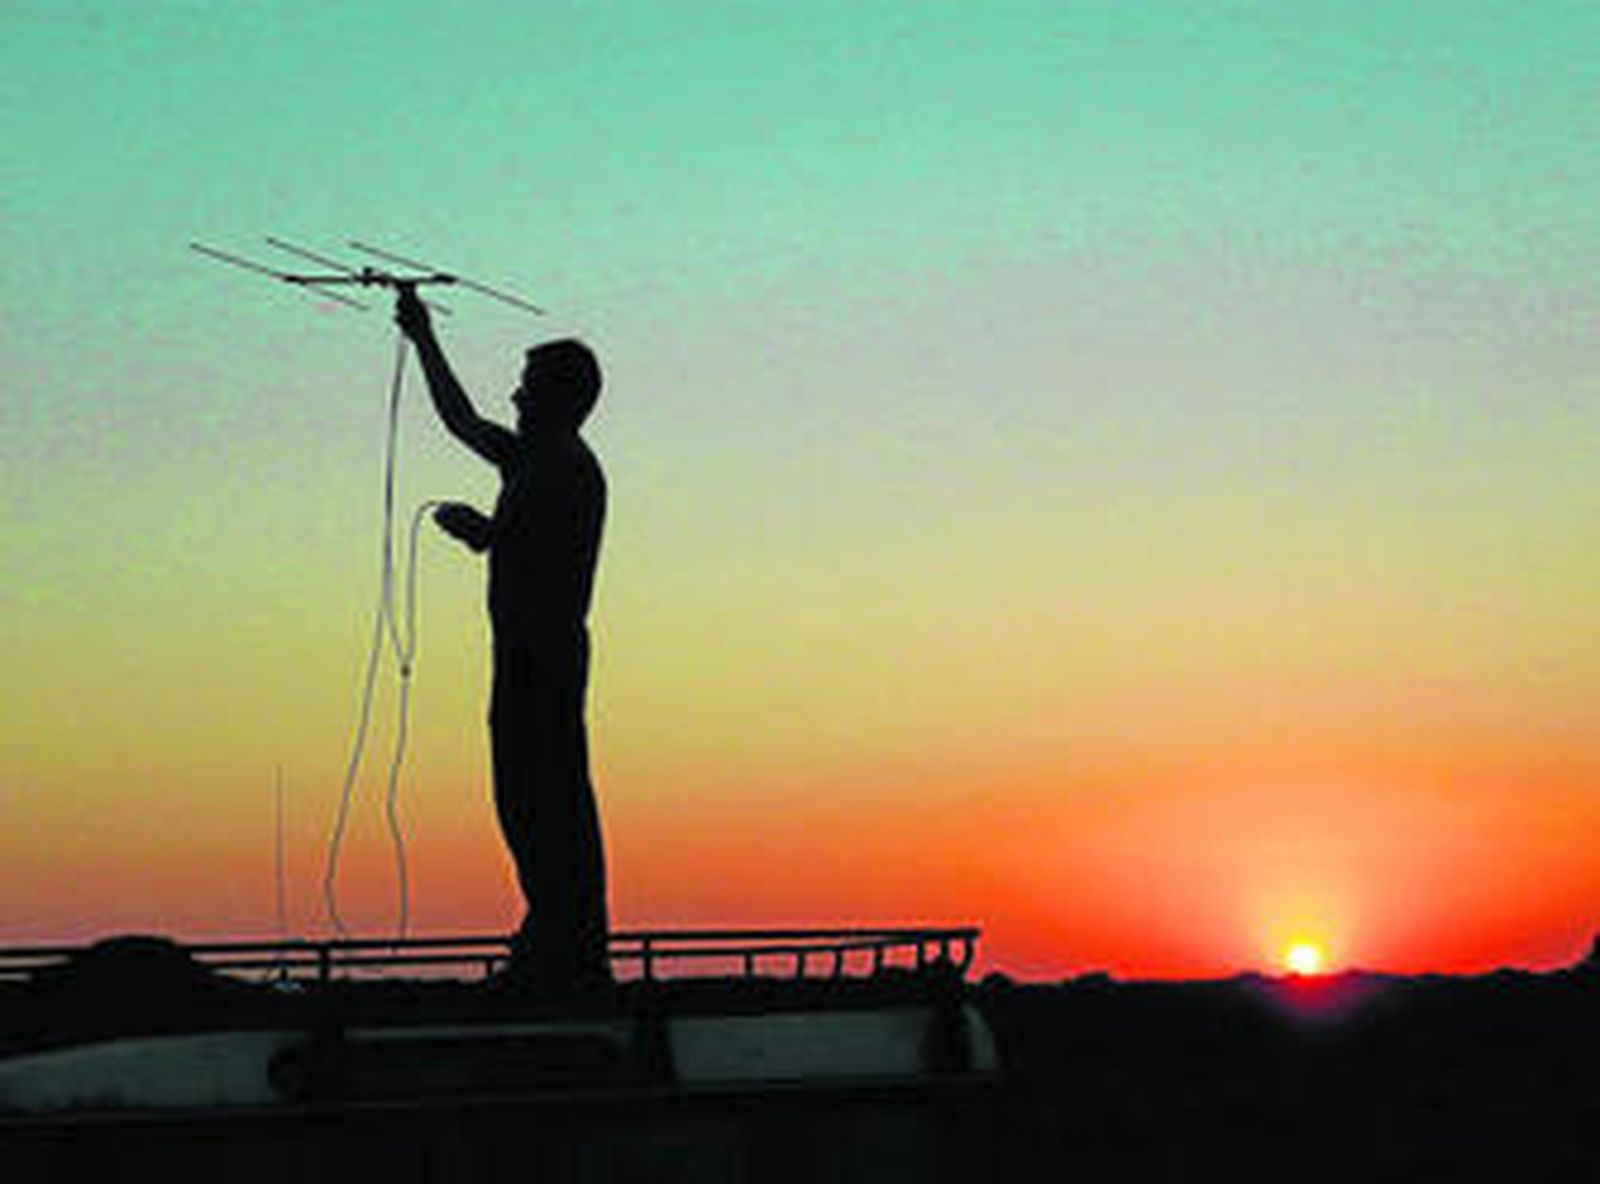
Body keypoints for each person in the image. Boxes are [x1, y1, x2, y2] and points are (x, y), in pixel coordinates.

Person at [394, 284, 610, 992]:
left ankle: (566, 951)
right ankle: (554, 940)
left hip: (544, 662)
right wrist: (422, 336)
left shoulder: (570, 470)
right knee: (525, 800)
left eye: (525, 387)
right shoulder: (532, 460)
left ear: (557, 397)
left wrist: (486, 535)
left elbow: (552, 562)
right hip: (523, 658)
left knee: (544, 800)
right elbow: (460, 419)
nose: (514, 398)